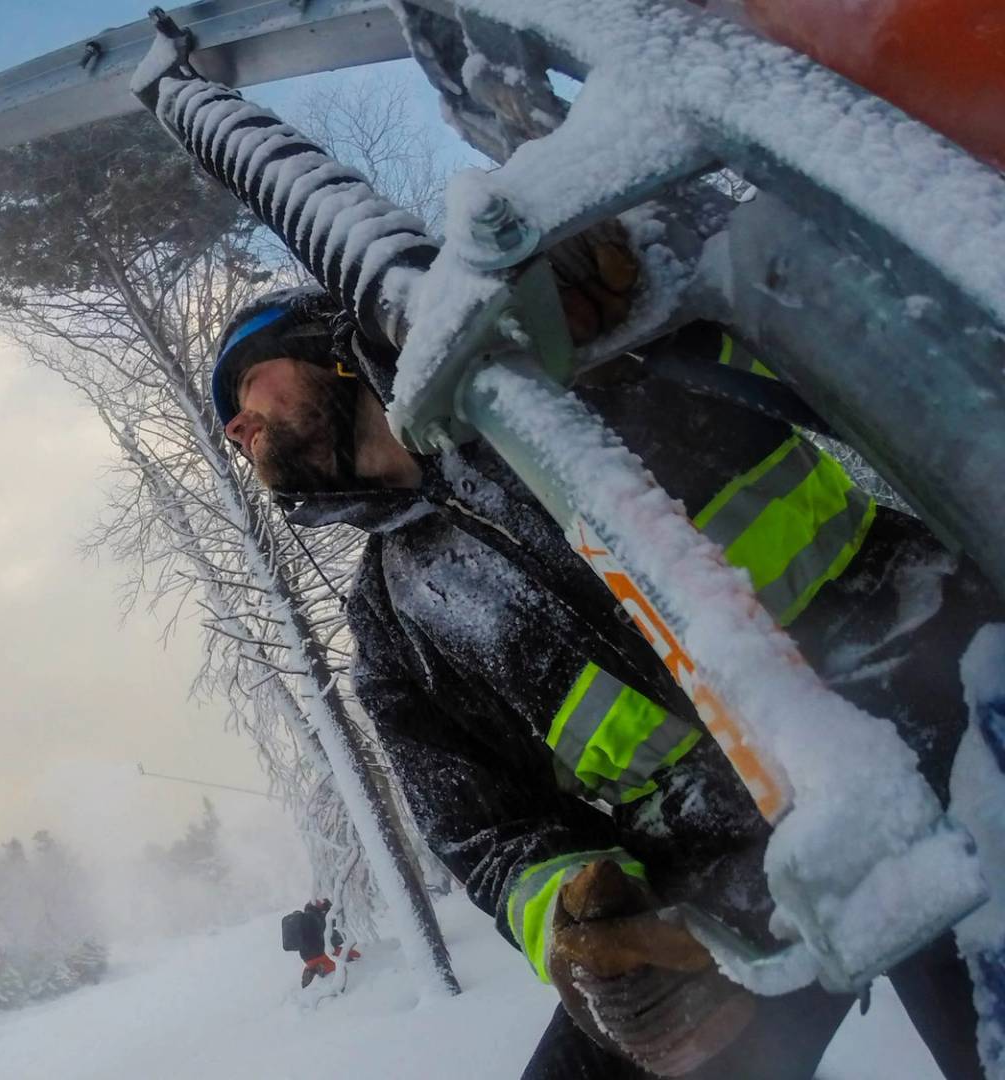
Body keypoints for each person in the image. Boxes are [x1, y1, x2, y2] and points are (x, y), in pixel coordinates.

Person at [211, 287, 1001, 1079]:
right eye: (231, 428)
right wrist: (575, 919)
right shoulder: (392, 624)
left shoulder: (572, 356)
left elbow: (826, 334)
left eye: (248, 386)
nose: (237, 428)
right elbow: (486, 834)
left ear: (331, 346)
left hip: (938, 690)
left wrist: (640, 298)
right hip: (728, 868)